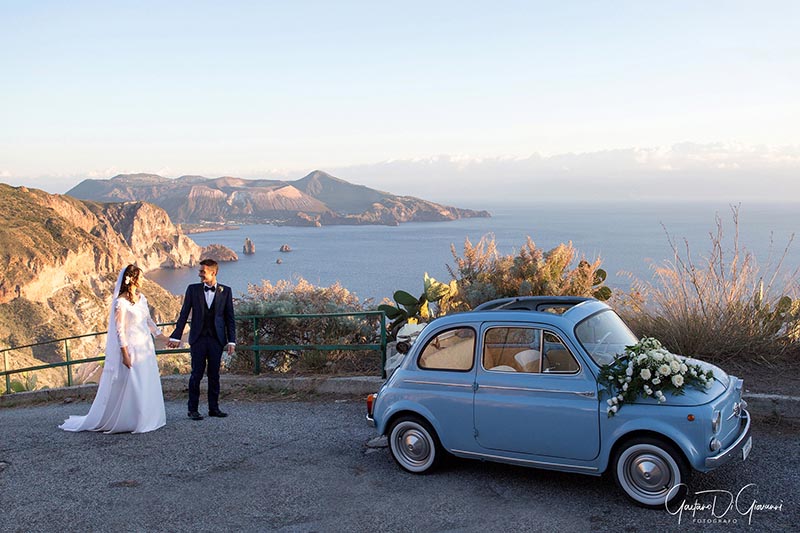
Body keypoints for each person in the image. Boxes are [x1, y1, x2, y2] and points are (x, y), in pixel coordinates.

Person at [60, 264, 167, 434]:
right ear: (131, 279)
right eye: (139, 277)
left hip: (145, 346)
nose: (142, 280)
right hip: (131, 348)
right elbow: (120, 331)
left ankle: (150, 417)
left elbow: (149, 322)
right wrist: (125, 354)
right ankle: (133, 420)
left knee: (147, 381)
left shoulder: (142, 298)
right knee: (134, 383)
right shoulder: (121, 303)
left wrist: (163, 337)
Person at [168, 259, 236, 420]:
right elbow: (184, 314)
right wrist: (176, 336)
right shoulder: (193, 290)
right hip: (198, 339)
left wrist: (231, 341)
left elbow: (230, 318)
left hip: (216, 340)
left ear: (213, 273)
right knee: (196, 375)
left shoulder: (226, 291)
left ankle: (214, 408)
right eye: (200, 271)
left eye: (202, 272)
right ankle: (193, 410)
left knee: (214, 375)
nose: (199, 274)